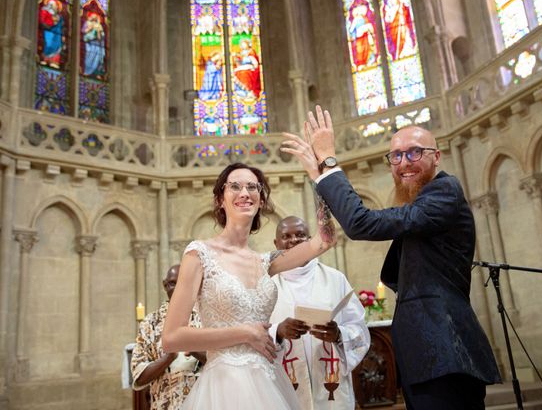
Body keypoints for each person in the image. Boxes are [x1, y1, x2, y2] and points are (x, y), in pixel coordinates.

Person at [281, 106, 501, 410]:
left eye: (414, 152)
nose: (403, 163)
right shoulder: (423, 206)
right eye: (395, 156)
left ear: (436, 157)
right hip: (427, 352)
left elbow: (360, 223)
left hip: (445, 350)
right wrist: (319, 176)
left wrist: (329, 161)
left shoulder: (444, 192)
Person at [162, 162, 337, 409]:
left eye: (252, 187)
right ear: (220, 200)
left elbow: (325, 239)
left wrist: (320, 179)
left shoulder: (266, 262)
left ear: (261, 201)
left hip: (270, 381)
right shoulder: (199, 255)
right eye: (235, 186)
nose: (245, 193)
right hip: (225, 386)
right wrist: (245, 333)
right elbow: (171, 338)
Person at [269, 216, 370, 409]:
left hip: (331, 384)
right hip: (285, 385)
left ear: (310, 240)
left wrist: (339, 335)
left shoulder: (335, 279)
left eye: (300, 235)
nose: (294, 240)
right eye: (286, 236)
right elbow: (255, 332)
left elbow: (360, 330)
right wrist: (278, 332)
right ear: (276, 243)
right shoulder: (267, 286)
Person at [130, 265, 206, 410]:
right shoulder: (150, 323)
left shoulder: (206, 318)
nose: (178, 288)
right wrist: (169, 358)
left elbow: (223, 361)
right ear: (165, 285)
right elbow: (139, 378)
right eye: (172, 283)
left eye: (183, 282)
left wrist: (193, 350)